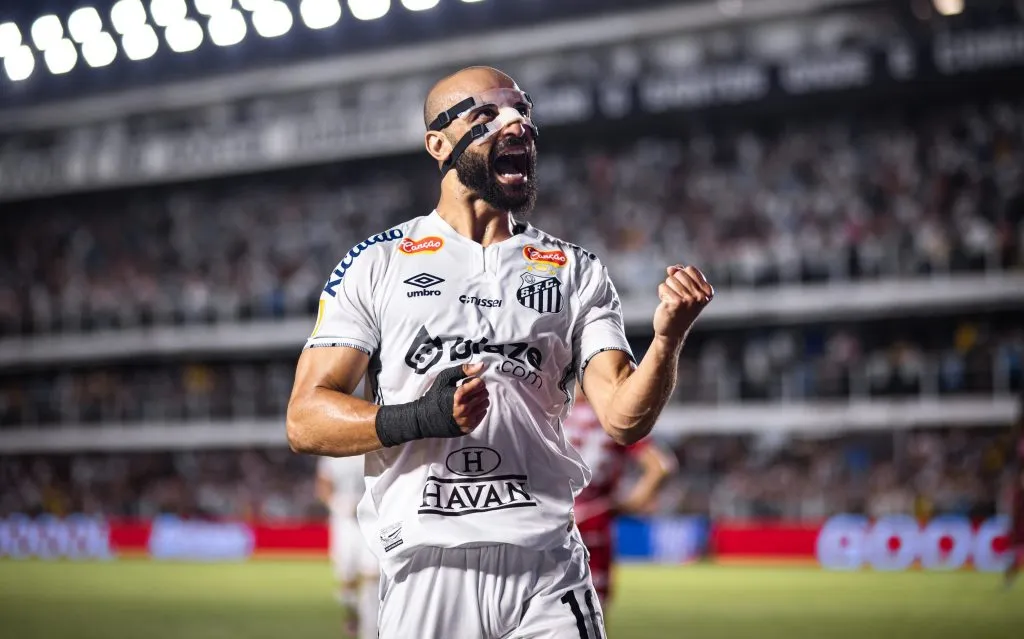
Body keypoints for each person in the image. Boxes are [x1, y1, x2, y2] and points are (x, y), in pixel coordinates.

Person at [286, 65, 713, 639]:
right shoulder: (376, 263)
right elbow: (305, 419)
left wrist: (668, 339)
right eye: (485, 115)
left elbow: (623, 419)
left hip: (549, 563)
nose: (517, 125)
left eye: (523, 112)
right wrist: (421, 418)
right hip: (428, 565)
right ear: (438, 144)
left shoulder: (575, 270)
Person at [563, 387, 677, 607]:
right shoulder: (613, 416)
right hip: (595, 522)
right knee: (592, 612)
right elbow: (660, 467)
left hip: (549, 522)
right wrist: (628, 506)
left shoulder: (548, 410)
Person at [316, 455, 380, 639]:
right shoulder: (331, 454)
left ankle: (370, 630)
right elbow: (323, 484)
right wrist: (335, 502)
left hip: (370, 519)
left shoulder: (371, 445)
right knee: (347, 579)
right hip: (343, 523)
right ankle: (352, 614)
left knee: (372, 576)